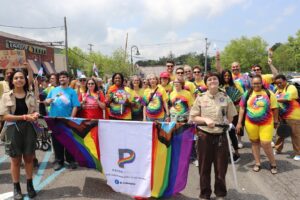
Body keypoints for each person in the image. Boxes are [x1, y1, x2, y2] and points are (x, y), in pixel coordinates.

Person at [190, 72, 237, 200]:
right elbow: (193, 117)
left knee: (221, 168)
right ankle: (205, 194)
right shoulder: (200, 98)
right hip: (204, 136)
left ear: (218, 81)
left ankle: (220, 193)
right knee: (204, 167)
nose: (212, 81)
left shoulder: (225, 97)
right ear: (206, 83)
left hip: (221, 136)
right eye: (209, 79)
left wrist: (227, 122)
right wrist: (205, 120)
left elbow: (231, 115)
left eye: (215, 79)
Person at [0, 69, 39, 199]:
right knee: (15, 160)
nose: (19, 80)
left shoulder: (31, 95)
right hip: (13, 130)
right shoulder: (6, 96)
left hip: (29, 129)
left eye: (21, 77)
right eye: (16, 78)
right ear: (12, 81)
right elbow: (4, 116)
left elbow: (36, 111)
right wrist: (24, 117)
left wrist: (35, 115)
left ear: (25, 80)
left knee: (29, 158)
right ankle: (16, 188)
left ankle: (30, 185)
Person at [236, 75, 279, 174]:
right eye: (254, 83)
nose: (256, 85)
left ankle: (273, 164)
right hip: (251, 123)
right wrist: (239, 123)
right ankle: (257, 163)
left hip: (266, 123)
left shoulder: (269, 93)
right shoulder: (247, 93)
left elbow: (275, 108)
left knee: (265, 143)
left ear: (262, 83)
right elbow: (242, 108)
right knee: (255, 143)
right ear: (251, 84)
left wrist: (276, 121)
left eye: (258, 83)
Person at [45, 71, 81, 171]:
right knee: (57, 142)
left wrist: (71, 119)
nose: (62, 79)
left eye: (64, 77)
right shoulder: (53, 90)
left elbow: (75, 106)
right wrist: (47, 101)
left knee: (69, 141)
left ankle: (71, 160)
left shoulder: (72, 92)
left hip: (67, 120)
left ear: (68, 79)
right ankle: (59, 161)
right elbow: (47, 103)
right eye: (60, 78)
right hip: (54, 119)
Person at [273, 74, 300, 161]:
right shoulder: (277, 90)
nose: (279, 84)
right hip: (282, 116)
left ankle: (298, 153)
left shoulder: (291, 87)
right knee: (280, 133)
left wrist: (274, 99)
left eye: (280, 82)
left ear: (285, 81)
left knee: (295, 134)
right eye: (277, 83)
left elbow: (287, 97)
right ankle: (277, 149)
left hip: (293, 115)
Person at [220, 69, 243, 163]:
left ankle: (236, 153)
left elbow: (241, 98)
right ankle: (225, 153)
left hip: (233, 112)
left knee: (232, 133)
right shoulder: (219, 86)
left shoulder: (236, 85)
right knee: (222, 134)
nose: (226, 77)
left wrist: (233, 102)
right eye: (224, 76)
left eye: (228, 75)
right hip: (221, 113)